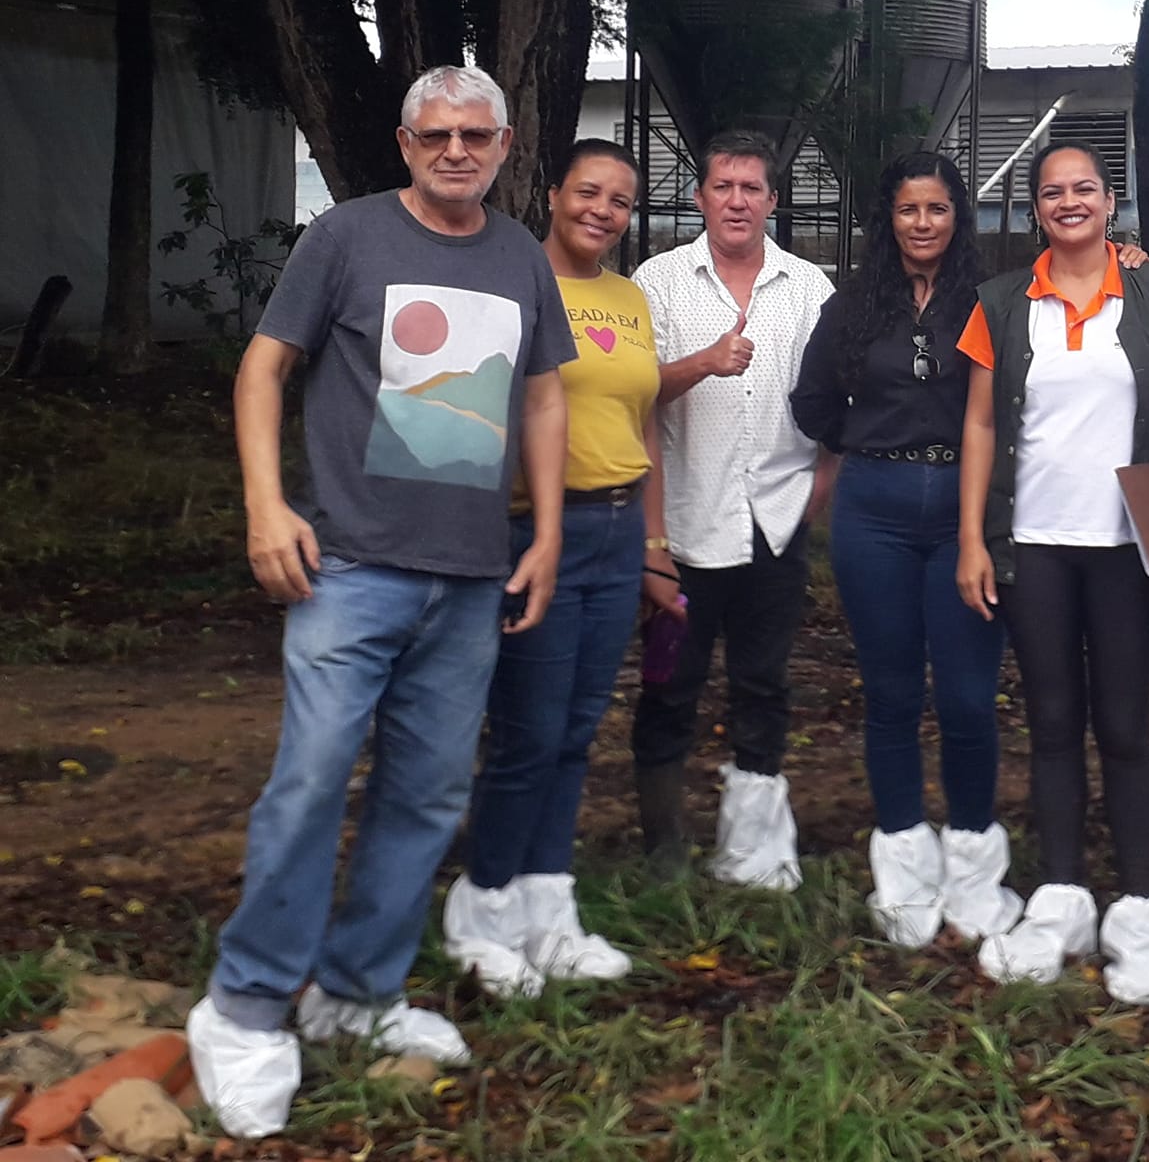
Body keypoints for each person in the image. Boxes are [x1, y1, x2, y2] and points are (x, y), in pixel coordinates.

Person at [186, 67, 574, 1141]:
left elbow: (543, 393)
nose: (457, 150)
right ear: (405, 143)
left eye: (477, 134)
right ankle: (247, 1004)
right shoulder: (346, 238)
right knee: (309, 784)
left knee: (424, 796)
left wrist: (540, 531)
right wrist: (267, 505)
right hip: (347, 567)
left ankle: (355, 988)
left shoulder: (516, 259)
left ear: (505, 144)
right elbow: (263, 369)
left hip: (466, 575)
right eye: (437, 134)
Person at [956, 141, 1149, 1002]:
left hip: (1131, 539)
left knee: (1127, 724)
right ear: (1035, 210)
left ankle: (1140, 907)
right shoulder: (999, 303)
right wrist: (971, 538)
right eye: (1052, 193)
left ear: (1110, 203)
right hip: (1035, 543)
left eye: (1085, 190)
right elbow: (983, 428)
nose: (1069, 203)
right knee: (1053, 721)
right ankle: (1062, 894)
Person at [442, 139, 687, 991]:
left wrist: (655, 546)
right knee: (527, 733)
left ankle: (548, 909)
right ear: (552, 194)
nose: (602, 212)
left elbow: (645, 416)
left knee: (578, 732)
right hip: (534, 531)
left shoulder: (628, 297)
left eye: (620, 201)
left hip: (619, 533)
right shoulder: (509, 282)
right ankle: (482, 910)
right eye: (588, 193)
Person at [788, 151, 1018, 947]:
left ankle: (975, 873)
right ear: (888, 219)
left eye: (939, 209)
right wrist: (868, 438)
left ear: (960, 217)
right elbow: (812, 400)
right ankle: (904, 875)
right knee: (889, 696)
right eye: (909, 209)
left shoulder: (993, 302)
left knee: (964, 698)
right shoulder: (854, 306)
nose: (924, 223)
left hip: (967, 515)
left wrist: (1134, 259)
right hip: (874, 515)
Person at [629, 129, 837, 886]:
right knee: (669, 685)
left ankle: (752, 848)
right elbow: (631, 393)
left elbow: (838, 394)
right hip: (684, 525)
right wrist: (704, 362)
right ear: (700, 197)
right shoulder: (657, 282)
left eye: (752, 188)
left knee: (764, 683)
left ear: (773, 200)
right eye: (724, 187)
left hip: (777, 523)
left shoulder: (810, 288)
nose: (738, 201)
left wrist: (825, 483)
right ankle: (664, 851)